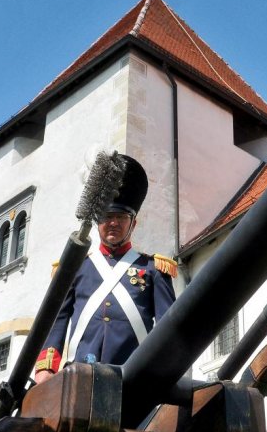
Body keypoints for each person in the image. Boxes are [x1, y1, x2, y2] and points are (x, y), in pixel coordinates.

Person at [35, 154, 177, 381]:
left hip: (133, 378)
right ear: (97, 221)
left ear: (133, 223)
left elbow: (169, 328)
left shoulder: (153, 269)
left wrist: (166, 372)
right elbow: (57, 319)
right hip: (78, 376)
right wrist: (47, 368)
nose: (113, 223)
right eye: (106, 216)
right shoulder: (75, 268)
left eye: (121, 217)